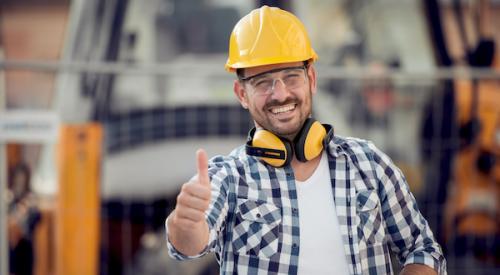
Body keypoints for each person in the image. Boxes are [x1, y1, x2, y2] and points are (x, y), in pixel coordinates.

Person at [166, 5, 446, 275]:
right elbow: (188, 246)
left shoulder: (368, 164)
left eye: (291, 77)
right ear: (241, 94)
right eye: (263, 82)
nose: (280, 94)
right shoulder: (228, 177)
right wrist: (187, 223)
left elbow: (422, 248)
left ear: (311, 78)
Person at [7, 162, 41, 275]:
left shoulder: (31, 199)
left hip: (25, 246)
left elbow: (37, 219)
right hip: (10, 248)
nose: (20, 181)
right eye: (18, 178)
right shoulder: (8, 197)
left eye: (23, 178)